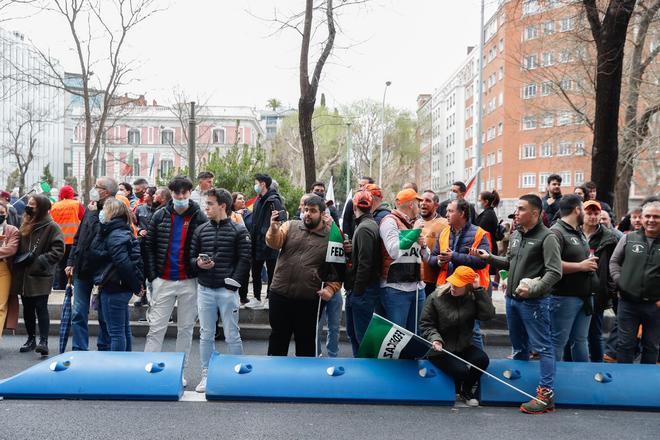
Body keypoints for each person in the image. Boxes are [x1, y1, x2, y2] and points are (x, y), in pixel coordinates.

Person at [472, 194, 561, 414]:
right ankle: (520, 388)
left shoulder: (547, 237)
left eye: (521, 209)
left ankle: (546, 395)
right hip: (512, 301)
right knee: (519, 347)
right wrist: (489, 258)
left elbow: (554, 272)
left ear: (535, 213)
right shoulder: (516, 234)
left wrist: (533, 289)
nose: (516, 213)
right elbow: (510, 263)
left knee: (543, 347)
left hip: (535, 304)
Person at [144, 176, 207, 386]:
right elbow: (149, 246)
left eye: (184, 193)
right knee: (156, 328)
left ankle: (179, 373)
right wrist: (153, 276)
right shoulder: (160, 215)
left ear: (190, 193)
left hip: (190, 281)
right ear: (171, 193)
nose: (180, 197)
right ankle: (148, 370)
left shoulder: (200, 217)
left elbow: (205, 245)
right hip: (163, 279)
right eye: (177, 193)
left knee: (186, 329)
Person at [190, 188, 251, 392]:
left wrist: (232, 283)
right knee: (206, 334)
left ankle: (238, 374)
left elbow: (245, 260)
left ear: (222, 206)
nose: (205, 207)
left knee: (232, 334)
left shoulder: (239, 230)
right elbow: (190, 258)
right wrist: (198, 264)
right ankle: (206, 374)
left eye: (209, 204)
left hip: (227, 291)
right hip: (205, 289)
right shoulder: (200, 230)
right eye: (205, 204)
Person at [265, 194, 342, 356]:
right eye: (305, 210)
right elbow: (275, 243)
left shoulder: (332, 237)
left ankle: (305, 381)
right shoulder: (290, 226)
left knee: (306, 343)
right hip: (279, 294)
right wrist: (273, 228)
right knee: (278, 339)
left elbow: (338, 268)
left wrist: (331, 288)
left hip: (309, 299)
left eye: (312, 211)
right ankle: (273, 379)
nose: (307, 213)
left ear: (322, 214)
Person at [420, 266, 496, 407]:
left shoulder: (473, 297)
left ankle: (466, 390)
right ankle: (456, 388)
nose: (453, 287)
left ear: (468, 286)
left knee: (482, 360)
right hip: (440, 349)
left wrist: (479, 291)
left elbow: (488, 315)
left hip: (463, 345)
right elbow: (426, 324)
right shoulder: (436, 297)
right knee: (461, 370)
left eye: (458, 285)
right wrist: (435, 339)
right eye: (452, 282)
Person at [427, 199, 491, 348]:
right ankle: (449, 361)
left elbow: (483, 261)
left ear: (462, 213)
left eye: (450, 211)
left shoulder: (479, 233)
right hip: (445, 287)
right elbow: (432, 258)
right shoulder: (444, 233)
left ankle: (478, 364)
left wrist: (453, 256)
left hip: (468, 289)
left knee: (472, 330)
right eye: (447, 211)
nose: (446, 214)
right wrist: (439, 261)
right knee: (444, 328)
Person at [66, 177, 118, 351]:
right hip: (82, 269)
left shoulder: (115, 210)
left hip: (103, 272)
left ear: (107, 192)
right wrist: (71, 261)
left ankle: (104, 348)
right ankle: (79, 349)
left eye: (98, 187)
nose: (94, 189)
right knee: (78, 312)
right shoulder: (91, 208)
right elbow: (79, 237)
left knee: (104, 315)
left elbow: (101, 234)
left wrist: (95, 214)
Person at [12, 194, 65, 356]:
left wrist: (41, 261)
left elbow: (58, 250)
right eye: (28, 203)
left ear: (41, 207)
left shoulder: (52, 226)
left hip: (40, 274)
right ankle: (31, 339)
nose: (28, 206)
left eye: (32, 204)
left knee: (41, 307)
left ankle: (44, 341)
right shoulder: (25, 222)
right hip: (24, 274)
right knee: (27, 309)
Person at [609, 201, 660, 364]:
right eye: (648, 216)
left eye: (657, 217)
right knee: (625, 345)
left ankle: (647, 384)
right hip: (628, 303)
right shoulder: (628, 238)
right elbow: (614, 262)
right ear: (642, 218)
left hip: (655, 305)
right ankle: (624, 383)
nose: (651, 220)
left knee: (652, 346)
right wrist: (620, 281)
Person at [90, 198, 143, 351]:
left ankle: (118, 368)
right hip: (118, 286)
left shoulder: (115, 233)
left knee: (116, 333)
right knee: (122, 329)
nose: (101, 213)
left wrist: (135, 286)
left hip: (115, 286)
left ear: (111, 213)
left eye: (104, 210)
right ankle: (126, 365)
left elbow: (123, 262)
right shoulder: (119, 230)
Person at [549, 194, 596, 362]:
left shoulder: (578, 231)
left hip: (584, 296)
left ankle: (581, 380)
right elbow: (551, 265)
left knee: (581, 341)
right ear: (577, 209)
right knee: (558, 342)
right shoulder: (556, 232)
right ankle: (551, 381)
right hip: (563, 297)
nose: (584, 212)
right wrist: (581, 266)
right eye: (583, 208)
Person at [379, 188, 425, 333]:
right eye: (418, 204)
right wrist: (414, 232)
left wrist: (423, 246)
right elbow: (394, 250)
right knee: (397, 336)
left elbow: (425, 256)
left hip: (417, 287)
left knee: (416, 335)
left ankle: (412, 357)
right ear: (411, 204)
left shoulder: (412, 223)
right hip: (396, 288)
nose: (420, 207)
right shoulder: (389, 222)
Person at [344, 191, 382, 353]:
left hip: (362, 291)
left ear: (354, 206)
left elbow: (365, 264)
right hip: (362, 290)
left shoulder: (365, 227)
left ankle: (364, 373)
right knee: (354, 335)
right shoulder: (367, 225)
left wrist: (357, 291)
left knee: (362, 337)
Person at [582, 201, 618, 362]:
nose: (593, 216)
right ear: (581, 213)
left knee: (594, 332)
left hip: (597, 292)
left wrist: (610, 289)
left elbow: (615, 264)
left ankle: (597, 366)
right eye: (589, 213)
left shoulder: (610, 238)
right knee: (572, 334)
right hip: (574, 290)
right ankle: (570, 367)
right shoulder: (573, 234)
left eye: (596, 213)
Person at [247, 173, 284, 309]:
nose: (255, 185)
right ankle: (256, 297)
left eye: (256, 183)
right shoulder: (258, 200)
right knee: (256, 271)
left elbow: (280, 219)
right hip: (256, 242)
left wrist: (268, 232)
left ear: (263, 184)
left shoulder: (274, 200)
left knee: (271, 271)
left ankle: (270, 297)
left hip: (270, 242)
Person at [50, 185, 85, 290]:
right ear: (71, 194)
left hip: (58, 240)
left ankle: (57, 286)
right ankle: (70, 285)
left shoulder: (54, 206)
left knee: (59, 265)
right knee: (72, 264)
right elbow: (83, 218)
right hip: (73, 241)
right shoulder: (77, 204)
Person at [414, 190, 449, 296]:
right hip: (415, 279)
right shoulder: (414, 222)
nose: (423, 203)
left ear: (436, 205)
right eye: (421, 200)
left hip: (434, 279)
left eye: (428, 201)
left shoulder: (445, 223)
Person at [0, 200, 19, 336]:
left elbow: (11, 249)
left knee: (1, 306)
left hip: (3, 269)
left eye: (1, 213)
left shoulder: (12, 230)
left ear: (6, 214)